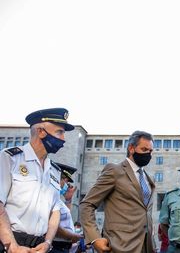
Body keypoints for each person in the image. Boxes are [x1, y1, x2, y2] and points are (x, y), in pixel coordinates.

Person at [0, 107, 74, 252]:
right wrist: (12, 246)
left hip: (40, 245)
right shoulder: (10, 158)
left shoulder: (54, 170)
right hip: (10, 242)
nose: (63, 139)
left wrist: (47, 242)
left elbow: (55, 211)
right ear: (41, 132)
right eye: (59, 132)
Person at [80, 130, 156, 253]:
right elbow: (87, 205)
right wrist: (95, 238)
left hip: (146, 247)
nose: (148, 154)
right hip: (119, 246)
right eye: (144, 149)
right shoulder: (114, 171)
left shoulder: (148, 178)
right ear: (131, 148)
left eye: (151, 151)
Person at [51, 162, 82, 253]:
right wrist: (71, 236)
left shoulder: (58, 199)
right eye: (66, 181)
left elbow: (64, 217)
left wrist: (68, 199)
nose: (67, 185)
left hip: (62, 247)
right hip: (55, 245)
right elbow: (53, 225)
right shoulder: (50, 196)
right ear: (58, 178)